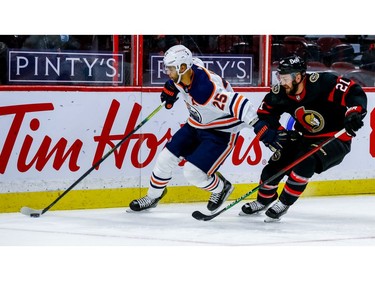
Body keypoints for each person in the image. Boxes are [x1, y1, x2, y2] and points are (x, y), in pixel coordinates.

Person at [129, 45, 258, 213]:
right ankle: (153, 196)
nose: (167, 72)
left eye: (170, 69)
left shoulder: (206, 90)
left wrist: (259, 125)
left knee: (192, 173)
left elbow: (239, 104)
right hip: (196, 125)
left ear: (182, 67)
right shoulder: (187, 71)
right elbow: (190, 69)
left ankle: (221, 188)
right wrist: (171, 86)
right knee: (164, 159)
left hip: (221, 132)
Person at [240, 54, 367, 222]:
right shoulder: (281, 93)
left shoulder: (322, 83)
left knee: (306, 162)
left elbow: (353, 92)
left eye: (285, 78)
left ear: (298, 77)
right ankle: (263, 200)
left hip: (336, 139)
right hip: (305, 137)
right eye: (280, 77)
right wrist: (277, 133)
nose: (281, 82)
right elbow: (265, 114)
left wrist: (354, 113)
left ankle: (284, 203)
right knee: (275, 164)